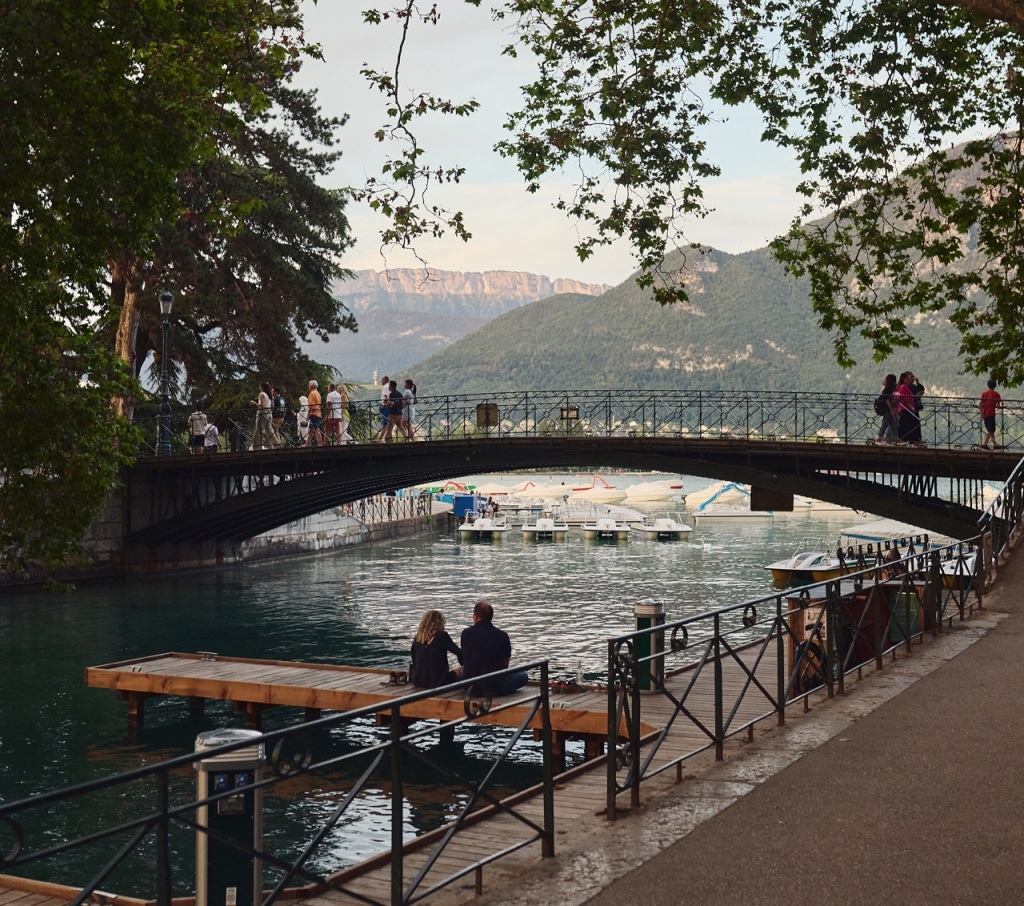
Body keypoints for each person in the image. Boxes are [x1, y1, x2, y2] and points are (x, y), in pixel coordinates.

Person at [460, 600, 528, 696]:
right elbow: (505, 666)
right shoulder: (503, 636)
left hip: (470, 687)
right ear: (491, 617)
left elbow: (465, 658)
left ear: (475, 617)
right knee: (523, 675)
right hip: (494, 687)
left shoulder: (466, 634)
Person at [409, 610, 463, 689]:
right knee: (462, 669)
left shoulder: (417, 638)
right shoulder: (441, 636)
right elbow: (458, 652)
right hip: (438, 683)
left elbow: (414, 660)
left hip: (419, 682)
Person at [872, 374, 898, 444]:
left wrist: (891, 409)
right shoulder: (892, 388)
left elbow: (887, 399)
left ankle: (880, 436)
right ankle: (896, 438)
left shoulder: (887, 389)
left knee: (886, 422)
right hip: (888, 408)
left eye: (885, 379)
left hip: (887, 408)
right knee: (891, 423)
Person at [892, 372, 916, 444]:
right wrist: (911, 407)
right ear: (904, 379)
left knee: (904, 426)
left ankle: (902, 440)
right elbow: (904, 399)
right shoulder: (903, 387)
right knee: (906, 426)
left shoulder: (900, 387)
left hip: (902, 409)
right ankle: (905, 441)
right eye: (907, 378)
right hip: (905, 409)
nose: (909, 380)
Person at [250, 381, 273, 450]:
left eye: (259, 387)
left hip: (262, 413)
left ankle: (256, 446)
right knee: (269, 429)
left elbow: (262, 405)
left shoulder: (261, 394)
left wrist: (254, 403)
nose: (259, 388)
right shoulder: (269, 394)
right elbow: (272, 405)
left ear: (262, 387)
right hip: (269, 412)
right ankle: (275, 444)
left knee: (258, 429)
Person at [981, 379, 1002, 449]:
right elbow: (998, 405)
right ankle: (985, 444)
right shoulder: (996, 394)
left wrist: (981, 413)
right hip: (991, 413)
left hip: (985, 413)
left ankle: (995, 445)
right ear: (995, 386)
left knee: (991, 430)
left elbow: (981, 404)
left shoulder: (984, 394)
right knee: (991, 430)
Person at [305, 380, 324, 447]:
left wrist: (308, 415)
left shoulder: (312, 393)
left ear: (311, 386)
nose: (308, 386)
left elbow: (311, 406)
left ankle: (320, 444)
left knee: (316, 429)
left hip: (314, 413)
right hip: (318, 413)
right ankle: (307, 444)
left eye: (308, 385)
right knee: (310, 430)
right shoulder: (318, 393)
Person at [374, 374, 390, 442]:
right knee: (387, 423)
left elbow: (386, 397)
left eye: (382, 380)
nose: (381, 381)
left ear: (385, 380)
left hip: (385, 407)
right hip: (388, 406)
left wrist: (383, 404)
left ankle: (381, 439)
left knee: (385, 423)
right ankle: (385, 438)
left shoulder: (385, 387)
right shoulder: (389, 386)